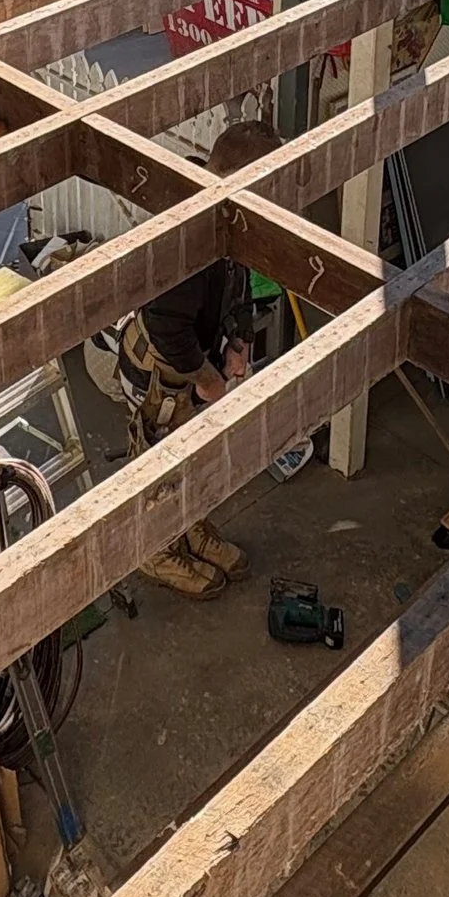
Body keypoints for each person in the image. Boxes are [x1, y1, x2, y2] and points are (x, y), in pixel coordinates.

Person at [115, 119, 276, 600]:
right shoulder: (189, 231)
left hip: (193, 357)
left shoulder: (230, 213)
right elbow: (167, 327)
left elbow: (240, 278)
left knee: (194, 458)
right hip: (161, 372)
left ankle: (191, 528)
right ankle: (153, 552)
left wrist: (240, 340)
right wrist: (208, 379)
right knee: (159, 464)